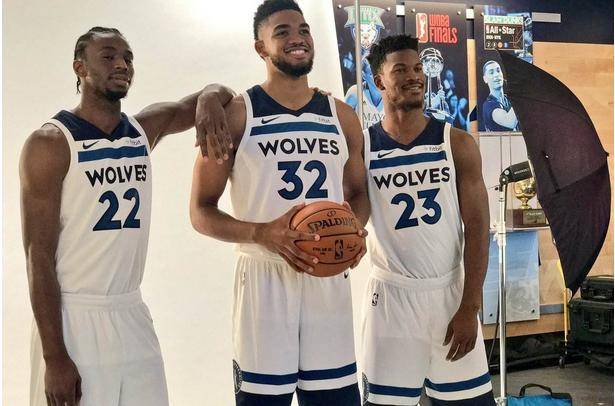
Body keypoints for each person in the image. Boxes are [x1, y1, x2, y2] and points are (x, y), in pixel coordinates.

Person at [20, 26, 233, 406]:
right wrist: (54, 356)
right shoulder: (50, 143)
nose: (122, 65)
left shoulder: (141, 129)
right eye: (108, 57)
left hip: (131, 312)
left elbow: (216, 93)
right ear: (80, 68)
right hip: (75, 316)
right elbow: (38, 256)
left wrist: (210, 98)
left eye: (128, 58)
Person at [189, 1, 369, 405]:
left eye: (303, 30)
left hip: (326, 275)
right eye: (282, 32)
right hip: (264, 276)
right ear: (261, 48)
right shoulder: (237, 114)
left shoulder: (341, 116)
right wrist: (261, 233)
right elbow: (200, 210)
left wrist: (354, 231)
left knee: (334, 400)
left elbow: (358, 192)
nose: (297, 39)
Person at [360, 35, 495, 405]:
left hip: (449, 295)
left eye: (417, 68)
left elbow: (478, 229)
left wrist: (470, 307)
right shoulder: (363, 147)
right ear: (379, 81)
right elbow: (350, 212)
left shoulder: (457, 143)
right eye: (400, 70)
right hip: (391, 299)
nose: (413, 76)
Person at [481, 60, 519, 131]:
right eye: (491, 72)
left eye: (498, 71)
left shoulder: (509, 99)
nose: (496, 75)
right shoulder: (488, 105)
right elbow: (510, 122)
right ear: (485, 79)